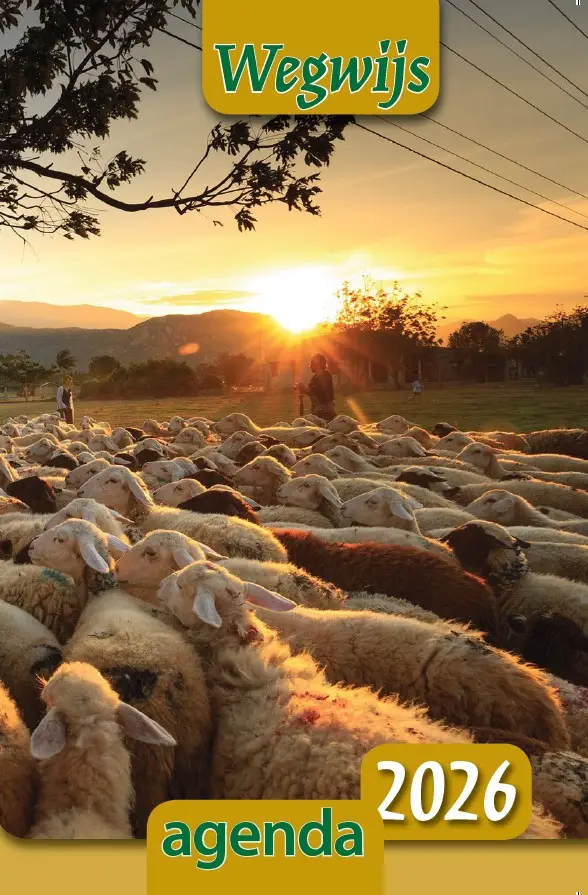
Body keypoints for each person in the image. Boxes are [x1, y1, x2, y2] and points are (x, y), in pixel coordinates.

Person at [297, 353, 336, 423]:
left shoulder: (326, 376)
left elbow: (321, 393)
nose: (310, 366)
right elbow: (311, 392)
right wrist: (303, 390)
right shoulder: (314, 378)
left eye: (311, 363)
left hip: (326, 412)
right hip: (316, 412)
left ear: (317, 364)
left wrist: (305, 389)